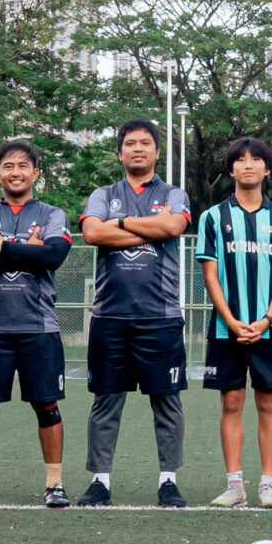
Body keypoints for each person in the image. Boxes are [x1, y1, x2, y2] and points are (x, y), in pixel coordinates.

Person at [79, 118, 194, 507]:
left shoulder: (173, 193)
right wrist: (150, 228)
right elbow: (93, 233)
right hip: (110, 317)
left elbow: (173, 226)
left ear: (157, 151)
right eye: (130, 143)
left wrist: (121, 224)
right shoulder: (103, 194)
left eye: (145, 142)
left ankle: (168, 481)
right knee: (106, 401)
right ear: (120, 152)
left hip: (160, 317)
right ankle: (100, 481)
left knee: (166, 400)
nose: (138, 148)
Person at [0, 139, 74, 508]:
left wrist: (4, 248)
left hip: (39, 327)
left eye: (23, 166)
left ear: (35, 173)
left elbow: (53, 257)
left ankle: (54, 485)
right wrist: (30, 252)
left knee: (47, 406)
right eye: (8, 166)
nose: (15, 172)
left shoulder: (52, 214)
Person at [196, 135, 272, 510]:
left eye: (256, 159)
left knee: (268, 403)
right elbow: (210, 275)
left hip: (270, 328)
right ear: (231, 169)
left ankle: (267, 485)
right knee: (231, 402)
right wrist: (232, 320)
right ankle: (235, 485)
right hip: (228, 329)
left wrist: (266, 319)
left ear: (267, 169)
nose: (248, 164)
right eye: (241, 159)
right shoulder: (213, 218)